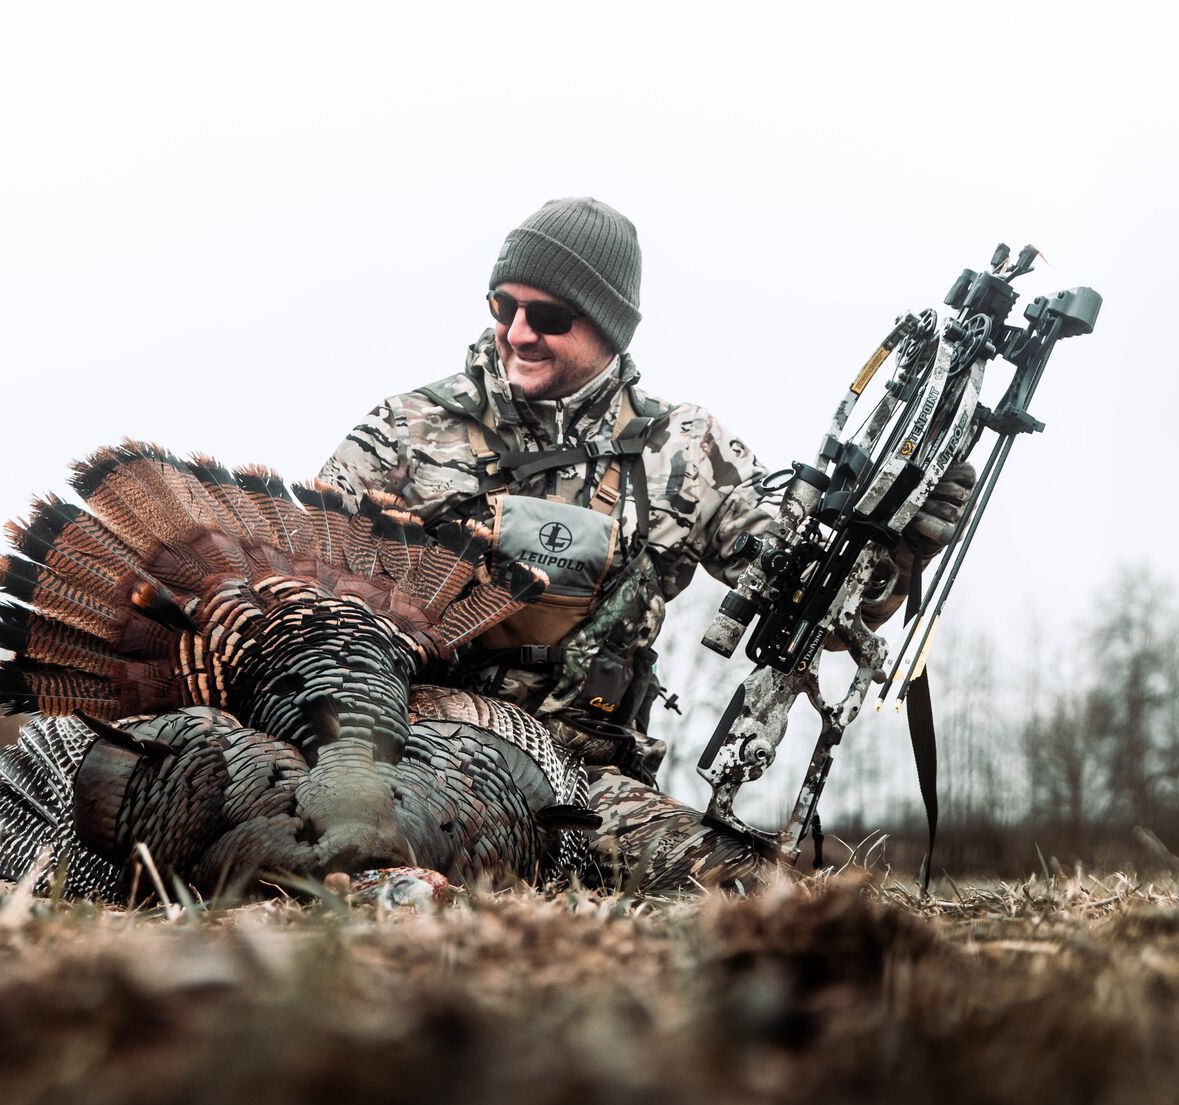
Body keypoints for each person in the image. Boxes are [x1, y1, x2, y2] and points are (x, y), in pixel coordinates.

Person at [318, 198, 969, 885]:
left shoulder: (685, 449)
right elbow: (297, 605)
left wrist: (898, 548)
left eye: (549, 317)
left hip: (581, 785)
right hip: (418, 768)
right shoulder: (403, 432)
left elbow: (818, 613)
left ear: (608, 325)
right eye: (502, 306)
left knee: (747, 892)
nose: (517, 332)